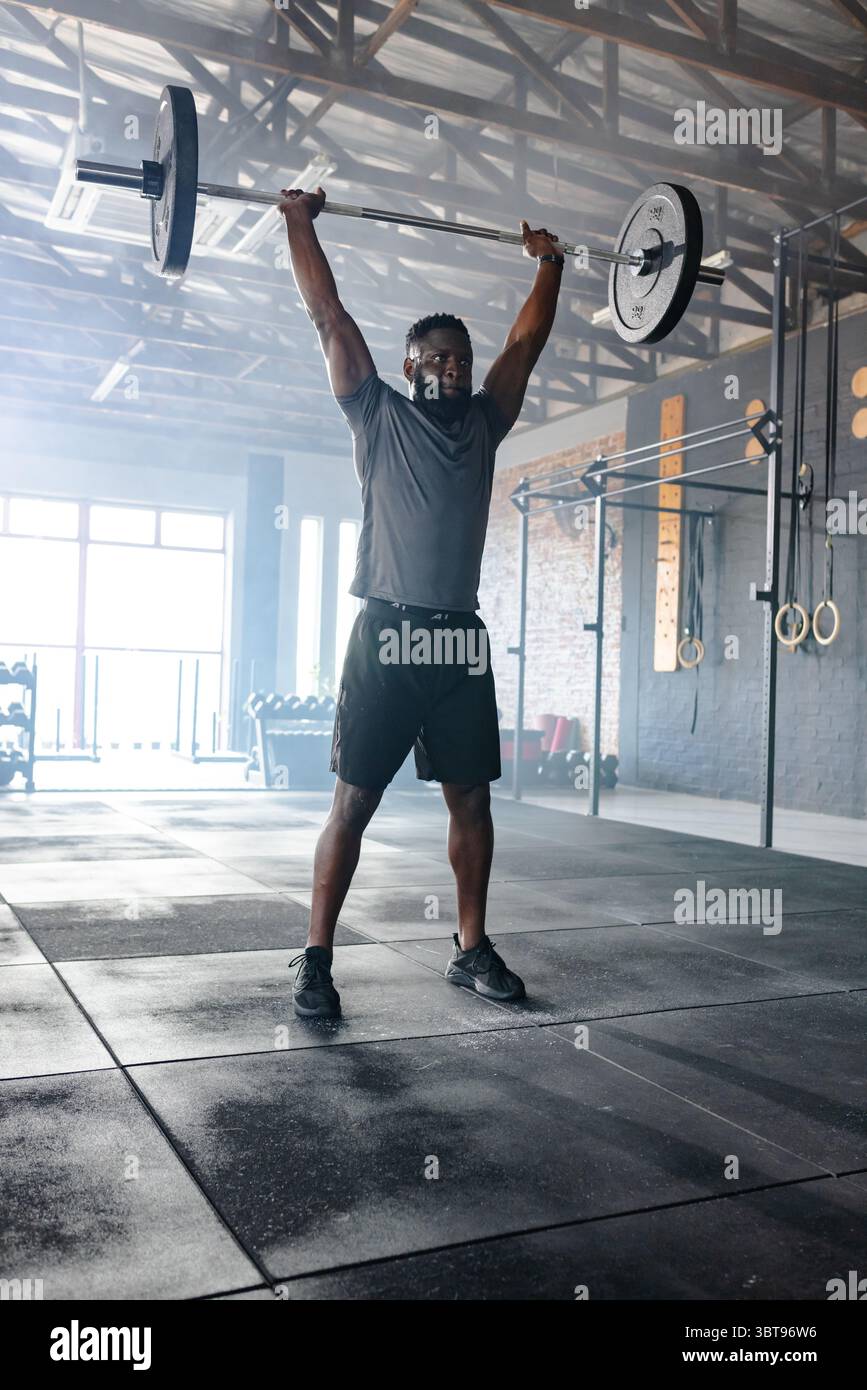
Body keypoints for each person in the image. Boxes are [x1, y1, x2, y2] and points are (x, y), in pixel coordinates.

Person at [280, 185, 564, 1018]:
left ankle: (469, 948)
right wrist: (298, 221)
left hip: (456, 640)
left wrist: (548, 263)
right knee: (354, 802)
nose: (451, 366)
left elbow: (526, 340)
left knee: (470, 799)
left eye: (459, 358)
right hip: (386, 634)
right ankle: (316, 958)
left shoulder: (487, 420)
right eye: (435, 356)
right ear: (409, 364)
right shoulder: (376, 413)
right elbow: (328, 316)